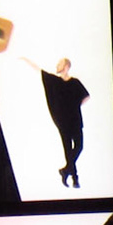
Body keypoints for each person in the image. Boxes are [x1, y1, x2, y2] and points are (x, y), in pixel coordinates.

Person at [32, 57, 89, 187]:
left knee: (79, 146)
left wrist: (75, 106)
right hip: (63, 122)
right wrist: (25, 60)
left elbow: (86, 96)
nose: (57, 66)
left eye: (60, 64)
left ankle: (66, 170)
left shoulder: (75, 82)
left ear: (66, 66)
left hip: (75, 120)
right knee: (68, 150)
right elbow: (40, 71)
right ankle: (75, 179)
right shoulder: (55, 82)